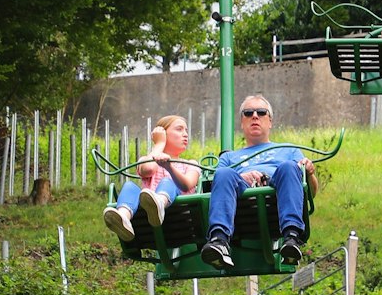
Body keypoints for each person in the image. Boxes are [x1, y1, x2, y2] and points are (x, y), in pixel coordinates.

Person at [200, 95, 316, 268]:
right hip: (242, 198)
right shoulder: (229, 157)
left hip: (276, 190)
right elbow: (216, 186)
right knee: (223, 173)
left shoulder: (288, 150)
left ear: (270, 121)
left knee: (288, 167)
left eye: (261, 112)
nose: (255, 116)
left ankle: (291, 237)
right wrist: (241, 177)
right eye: (248, 113)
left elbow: (311, 193)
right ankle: (219, 240)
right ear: (242, 122)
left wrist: (310, 173)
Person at [102, 114, 200, 243]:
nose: (185, 134)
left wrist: (169, 167)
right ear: (163, 133)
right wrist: (159, 144)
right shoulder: (147, 159)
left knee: (167, 182)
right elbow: (148, 169)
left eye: (186, 130)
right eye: (179, 129)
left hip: (178, 215)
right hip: (147, 218)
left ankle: (160, 202)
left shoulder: (190, 164)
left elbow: (187, 185)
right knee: (129, 187)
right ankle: (123, 218)